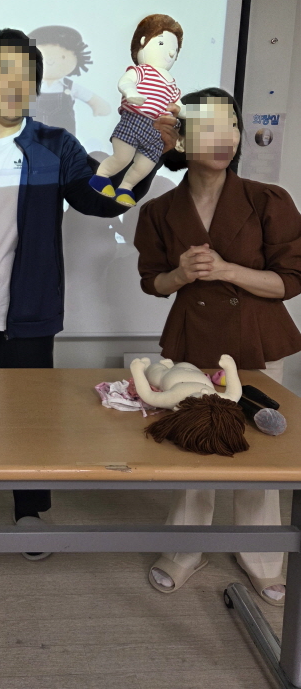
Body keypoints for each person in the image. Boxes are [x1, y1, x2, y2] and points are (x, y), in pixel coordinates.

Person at [0, 28, 178, 559]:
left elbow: (102, 201)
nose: (13, 84)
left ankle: (30, 512)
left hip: (28, 316)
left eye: (24, 75)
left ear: (35, 85)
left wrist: (153, 155)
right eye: (0, 73)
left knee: (29, 423)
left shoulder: (56, 146)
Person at [134, 87, 301, 605]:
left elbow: (290, 281)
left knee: (260, 456)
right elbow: (152, 282)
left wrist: (228, 270)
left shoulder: (268, 199)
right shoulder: (160, 210)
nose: (225, 137)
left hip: (255, 339)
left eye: (231, 124)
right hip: (193, 340)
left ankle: (264, 559)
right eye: (208, 127)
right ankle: (184, 550)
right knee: (192, 449)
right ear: (182, 139)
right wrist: (180, 274)